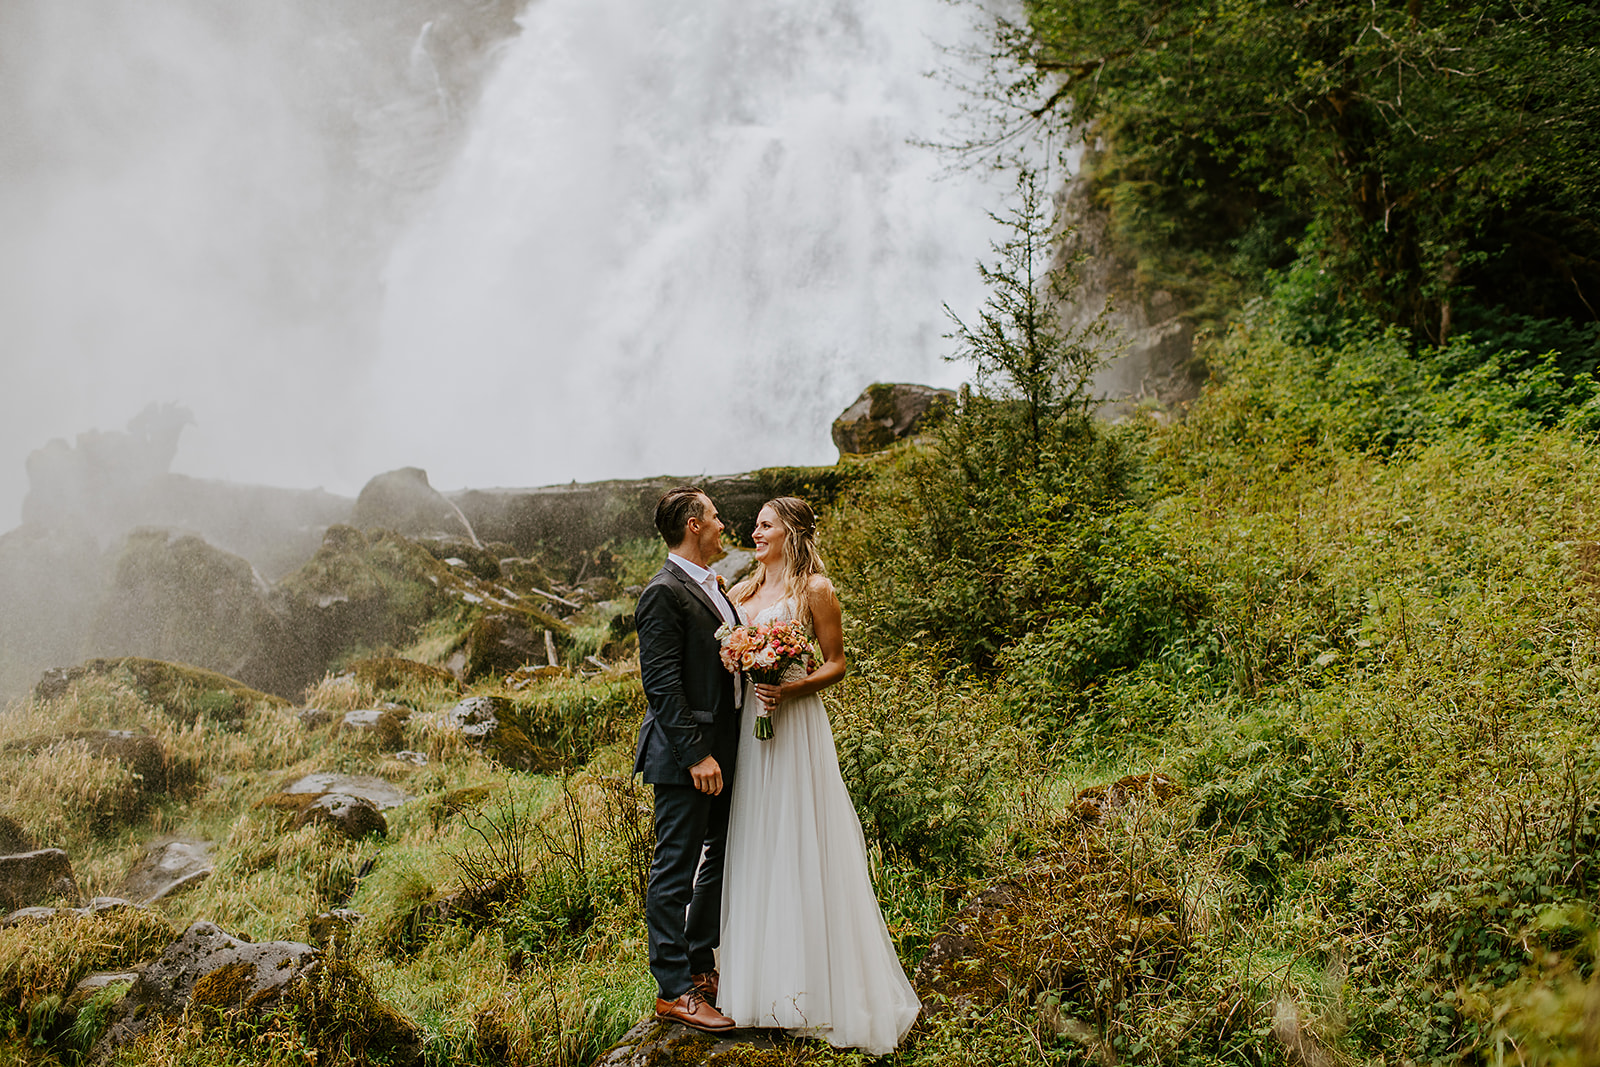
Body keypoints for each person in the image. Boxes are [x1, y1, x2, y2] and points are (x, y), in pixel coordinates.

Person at [719, 496, 921, 1054]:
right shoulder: (741, 593)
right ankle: (761, 987)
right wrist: (737, 661)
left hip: (797, 723)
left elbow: (836, 662)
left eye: (765, 525)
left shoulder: (815, 591)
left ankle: (818, 990)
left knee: (804, 839)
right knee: (758, 842)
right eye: (754, 525)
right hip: (751, 733)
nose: (754, 532)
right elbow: (724, 654)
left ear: (790, 531)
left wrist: (789, 687)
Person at [634, 486, 742, 1033]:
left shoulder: (713, 587)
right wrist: (697, 754)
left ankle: (701, 968)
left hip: (725, 751)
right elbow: (662, 685)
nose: (725, 525)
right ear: (694, 525)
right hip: (686, 758)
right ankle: (673, 989)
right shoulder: (663, 591)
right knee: (675, 869)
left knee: (718, 857)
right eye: (717, 517)